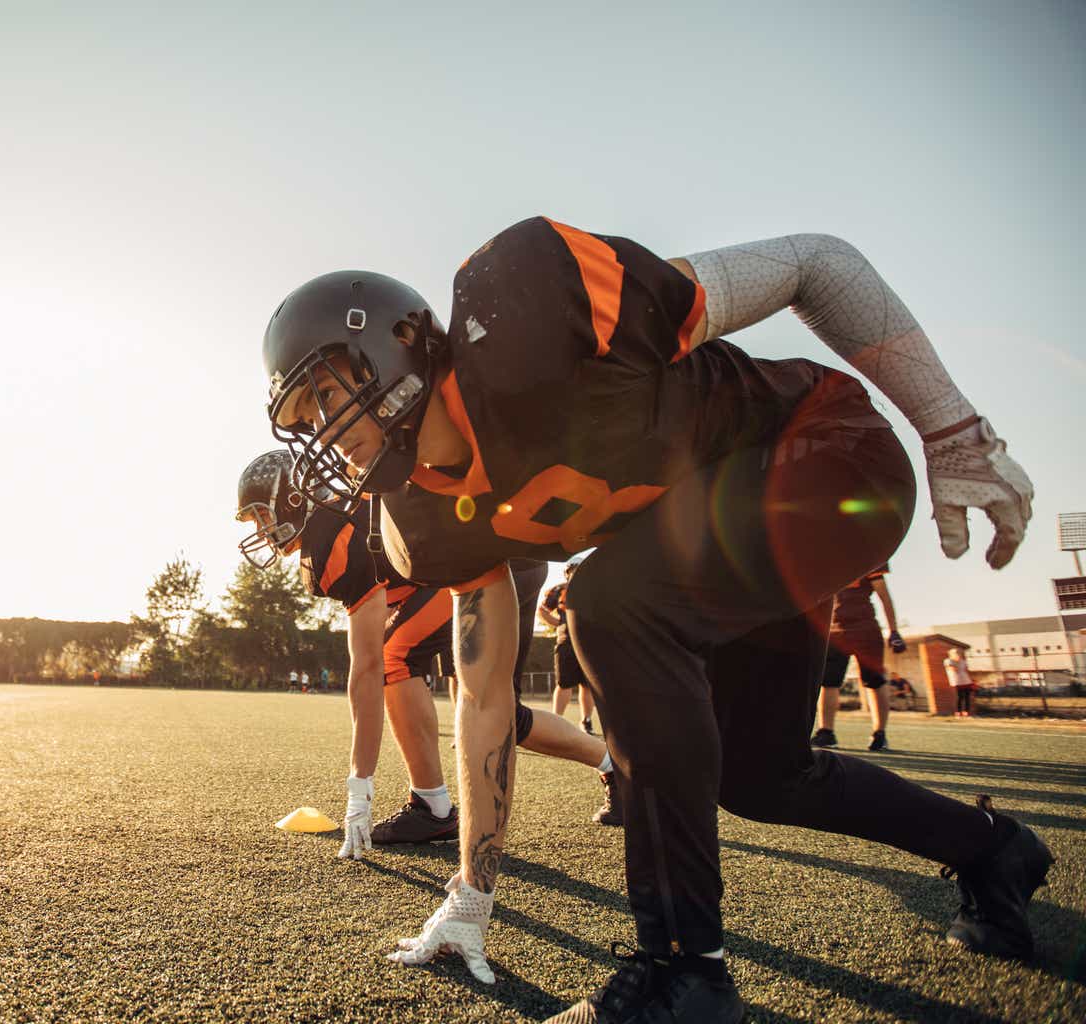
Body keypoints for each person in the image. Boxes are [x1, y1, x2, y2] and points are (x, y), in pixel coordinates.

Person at [261, 219, 1050, 1018]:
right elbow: (484, 699)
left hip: (832, 452)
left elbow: (816, 262)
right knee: (761, 775)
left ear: (397, 340)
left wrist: (952, 431)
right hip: (735, 541)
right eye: (302, 417)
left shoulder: (525, 303)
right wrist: (473, 890)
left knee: (609, 604)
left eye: (325, 393)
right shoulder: (422, 519)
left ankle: (684, 976)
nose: (323, 432)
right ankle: (993, 852)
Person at [237, 451, 618, 861]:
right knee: (501, 715)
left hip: (490, 561)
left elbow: (367, 668)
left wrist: (359, 787)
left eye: (263, 515)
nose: (262, 529)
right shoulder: (338, 520)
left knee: (395, 655)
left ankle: (433, 806)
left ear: (295, 499)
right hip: (481, 561)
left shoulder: (336, 537)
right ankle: (616, 765)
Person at [812, 563, 906, 751]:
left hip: (865, 629)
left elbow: (884, 596)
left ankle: (879, 733)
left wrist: (894, 630)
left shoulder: (869, 555)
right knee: (828, 682)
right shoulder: (825, 561)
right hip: (835, 632)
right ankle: (826, 732)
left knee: (874, 681)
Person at [538, 558, 597, 734]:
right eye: (574, 569)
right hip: (567, 642)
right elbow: (542, 610)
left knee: (587, 685)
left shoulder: (594, 590)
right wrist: (558, 623)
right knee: (564, 683)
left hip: (589, 643)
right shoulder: (559, 589)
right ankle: (556, 721)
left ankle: (586, 721)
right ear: (567, 571)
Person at [946, 647, 977, 717]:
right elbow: (953, 669)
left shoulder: (963, 661)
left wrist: (972, 679)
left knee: (967, 697)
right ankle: (958, 712)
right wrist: (957, 661)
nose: (958, 654)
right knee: (959, 697)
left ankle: (966, 712)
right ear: (951, 654)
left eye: (958, 653)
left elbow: (966, 670)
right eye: (955, 653)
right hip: (956, 681)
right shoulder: (948, 661)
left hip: (966, 680)